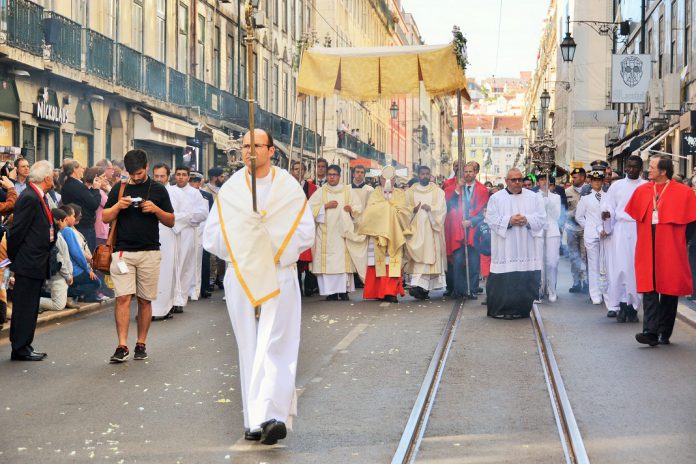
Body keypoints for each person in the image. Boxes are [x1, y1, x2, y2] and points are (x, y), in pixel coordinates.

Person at [203, 128, 314, 445]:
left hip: (279, 273)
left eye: (256, 145)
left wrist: (274, 244)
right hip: (243, 274)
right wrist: (246, 241)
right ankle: (254, 420)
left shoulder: (288, 188)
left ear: (271, 150)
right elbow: (212, 237)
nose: (250, 151)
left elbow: (305, 232)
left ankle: (274, 415)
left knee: (277, 343)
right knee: (250, 345)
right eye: (245, 146)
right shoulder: (232, 190)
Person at [102, 149, 175, 362]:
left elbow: (171, 221)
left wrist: (156, 210)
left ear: (146, 167)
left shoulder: (159, 190)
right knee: (123, 298)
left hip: (149, 251)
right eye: (132, 173)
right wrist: (118, 205)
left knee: (144, 300)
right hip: (123, 252)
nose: (136, 177)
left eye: (139, 173)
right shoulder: (119, 188)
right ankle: (122, 345)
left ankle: (141, 343)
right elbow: (105, 217)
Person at [626, 155, 696, 346]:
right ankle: (649, 332)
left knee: (669, 289)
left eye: (653, 167)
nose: (649, 169)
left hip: (671, 247)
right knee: (649, 288)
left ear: (664, 171)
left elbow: (691, 224)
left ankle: (664, 332)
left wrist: (680, 241)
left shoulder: (684, 192)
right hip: (647, 246)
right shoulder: (642, 191)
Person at [7, 160, 55, 361]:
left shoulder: (38, 195)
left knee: (30, 306)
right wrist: (15, 257)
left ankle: (24, 344)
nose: (53, 178)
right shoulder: (30, 197)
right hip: (29, 262)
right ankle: (20, 347)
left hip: (35, 261)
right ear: (46, 178)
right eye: (52, 175)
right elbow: (17, 231)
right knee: (25, 308)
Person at [485, 168, 546, 319]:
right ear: (506, 181)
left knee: (525, 278)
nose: (517, 182)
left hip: (527, 246)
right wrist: (509, 221)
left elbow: (542, 218)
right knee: (504, 279)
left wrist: (527, 220)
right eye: (514, 180)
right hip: (505, 246)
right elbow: (490, 219)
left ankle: (521, 309)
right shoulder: (496, 198)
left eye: (520, 179)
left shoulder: (533, 197)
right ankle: (500, 310)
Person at [600, 155, 646, 322]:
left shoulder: (647, 186)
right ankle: (621, 304)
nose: (631, 170)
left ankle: (633, 307)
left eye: (635, 167)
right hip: (620, 230)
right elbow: (609, 206)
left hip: (639, 230)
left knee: (635, 270)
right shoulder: (616, 186)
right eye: (629, 166)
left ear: (641, 169)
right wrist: (606, 216)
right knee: (619, 269)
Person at [308, 164, 364, 301]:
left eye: (334, 175)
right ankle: (332, 292)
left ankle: (343, 291)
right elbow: (308, 208)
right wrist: (325, 206)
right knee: (328, 264)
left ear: (339, 176)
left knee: (342, 263)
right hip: (326, 234)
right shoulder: (321, 191)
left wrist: (351, 209)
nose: (331, 177)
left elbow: (359, 208)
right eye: (329, 174)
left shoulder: (347, 191)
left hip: (342, 233)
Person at [357, 165, 412, 303]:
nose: (387, 181)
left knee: (392, 264)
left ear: (395, 180)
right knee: (378, 263)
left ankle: (390, 292)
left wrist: (387, 210)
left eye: (391, 179)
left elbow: (405, 212)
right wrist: (388, 209)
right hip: (378, 234)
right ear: (380, 179)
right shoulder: (375, 192)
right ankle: (377, 291)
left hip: (395, 234)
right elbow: (370, 210)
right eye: (383, 178)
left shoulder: (400, 193)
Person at [444, 162, 488, 299]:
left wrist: (471, 222)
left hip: (474, 230)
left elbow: (483, 213)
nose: (468, 174)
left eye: (470, 171)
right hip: (458, 229)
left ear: (475, 173)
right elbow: (448, 205)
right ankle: (459, 289)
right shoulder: (456, 187)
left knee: (474, 262)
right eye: (466, 171)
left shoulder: (482, 190)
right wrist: (457, 189)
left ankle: (472, 289)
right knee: (458, 260)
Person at [404, 166, 447, 300]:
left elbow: (442, 209)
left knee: (429, 258)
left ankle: (423, 289)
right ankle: (417, 287)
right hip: (416, 231)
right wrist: (413, 210)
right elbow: (404, 210)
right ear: (418, 175)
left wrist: (431, 209)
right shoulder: (410, 192)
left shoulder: (437, 191)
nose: (425, 176)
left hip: (431, 231)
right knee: (417, 260)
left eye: (427, 174)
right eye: (422, 174)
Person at [575, 170, 610, 307]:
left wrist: (606, 228)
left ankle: (606, 291)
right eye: (594, 180)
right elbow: (579, 216)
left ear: (602, 181)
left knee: (606, 264)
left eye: (599, 180)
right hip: (591, 235)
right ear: (590, 182)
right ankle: (595, 294)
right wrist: (589, 226)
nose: (597, 182)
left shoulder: (608, 196)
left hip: (606, 234)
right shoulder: (585, 198)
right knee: (594, 264)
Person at [60, 204, 101, 303]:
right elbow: (77, 253)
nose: (75, 218)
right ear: (66, 217)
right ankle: (68, 292)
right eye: (73, 216)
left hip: (68, 268)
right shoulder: (68, 231)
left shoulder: (61, 231)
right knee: (96, 283)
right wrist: (87, 269)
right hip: (75, 270)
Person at [60, 160, 103, 252]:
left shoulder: (66, 185)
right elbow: (94, 204)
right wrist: (96, 189)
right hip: (85, 225)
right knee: (88, 253)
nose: (83, 170)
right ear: (74, 169)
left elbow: (85, 199)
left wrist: (92, 189)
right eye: (81, 167)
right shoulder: (79, 186)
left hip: (72, 224)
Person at [291, 160, 319, 297]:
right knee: (294, 258)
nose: (298, 172)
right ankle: (296, 287)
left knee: (308, 257)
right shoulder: (287, 186)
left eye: (301, 169)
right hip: (291, 226)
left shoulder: (312, 188)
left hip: (307, 225)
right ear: (292, 171)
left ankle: (310, 286)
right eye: (296, 169)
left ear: (305, 171)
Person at [39, 208, 74, 312]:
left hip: (63, 276)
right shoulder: (55, 237)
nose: (66, 223)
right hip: (59, 276)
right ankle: (33, 301)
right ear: (59, 221)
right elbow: (59, 260)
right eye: (65, 220)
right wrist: (67, 275)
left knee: (59, 303)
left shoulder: (57, 235)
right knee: (58, 305)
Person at [189, 171, 214, 299]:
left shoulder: (207, 196)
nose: (193, 183)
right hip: (189, 230)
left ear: (199, 183)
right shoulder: (184, 194)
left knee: (204, 260)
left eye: (195, 181)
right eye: (191, 181)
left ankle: (204, 287)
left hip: (203, 231)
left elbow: (211, 214)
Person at [537, 176, 562, 302]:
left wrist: (549, 202)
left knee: (552, 262)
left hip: (552, 231)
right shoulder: (534, 196)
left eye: (546, 180)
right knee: (539, 263)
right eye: (541, 180)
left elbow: (557, 215)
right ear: (538, 182)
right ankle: (540, 289)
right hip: (539, 232)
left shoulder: (555, 197)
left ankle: (552, 289)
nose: (544, 183)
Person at [565, 167, 589, 293]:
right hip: (572, 227)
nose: (572, 179)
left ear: (582, 178)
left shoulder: (589, 190)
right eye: (572, 177)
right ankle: (576, 282)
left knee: (585, 255)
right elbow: (563, 209)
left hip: (585, 228)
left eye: (575, 177)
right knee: (574, 256)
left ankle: (585, 281)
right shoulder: (567, 191)